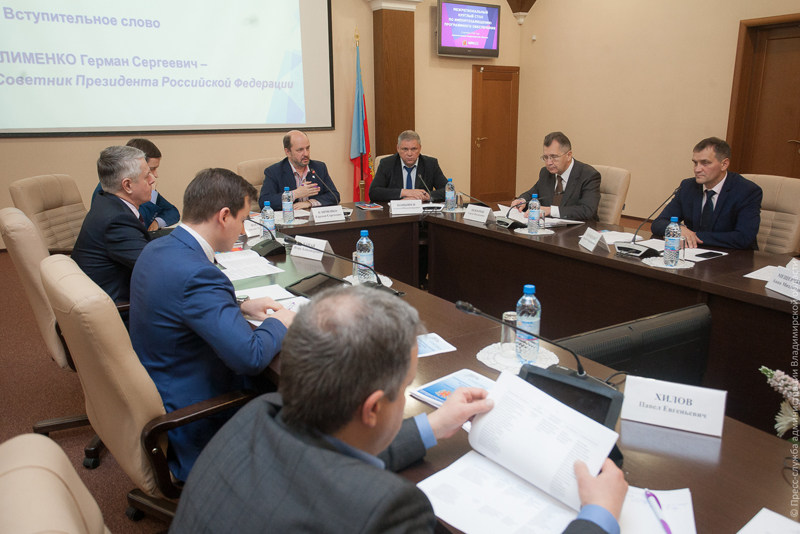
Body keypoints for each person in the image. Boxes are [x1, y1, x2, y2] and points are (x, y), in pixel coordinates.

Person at [170, 286, 628, 534]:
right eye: (405, 386)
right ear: (372, 408)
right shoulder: (388, 511)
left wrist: (433, 425)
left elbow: (335, 455)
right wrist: (598, 517)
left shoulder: (257, 414)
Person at [130, 168, 295, 482]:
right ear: (224, 216)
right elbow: (249, 357)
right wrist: (280, 322)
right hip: (195, 419)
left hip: (164, 380)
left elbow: (178, 303)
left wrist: (240, 305)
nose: (244, 230)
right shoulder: (199, 274)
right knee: (300, 393)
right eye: (243, 220)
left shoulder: (158, 248)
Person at [71, 146, 153, 313]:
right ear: (127, 185)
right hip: (118, 312)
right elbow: (155, 267)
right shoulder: (117, 221)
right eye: (147, 176)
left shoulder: (106, 202)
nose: (152, 179)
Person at [651, 137, 762, 249]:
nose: (697, 169)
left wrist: (693, 236)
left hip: (734, 256)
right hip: (694, 253)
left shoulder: (747, 191)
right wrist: (679, 229)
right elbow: (658, 223)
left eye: (705, 163)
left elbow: (743, 237)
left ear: (724, 164)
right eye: (695, 163)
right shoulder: (688, 186)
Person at [91, 139, 179, 231]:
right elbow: (138, 224)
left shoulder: (140, 186)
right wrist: (152, 194)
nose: (156, 175)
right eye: (151, 169)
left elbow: (172, 211)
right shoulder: (108, 192)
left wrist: (157, 222)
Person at [512, 132, 601, 221]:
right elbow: (532, 194)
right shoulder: (546, 173)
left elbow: (587, 210)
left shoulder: (588, 175)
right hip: (549, 227)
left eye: (554, 157)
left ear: (568, 155)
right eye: (545, 157)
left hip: (580, 228)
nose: (549, 163)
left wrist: (550, 210)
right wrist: (522, 201)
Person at [258, 130, 340, 210]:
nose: (306, 154)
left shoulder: (319, 168)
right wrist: (295, 194)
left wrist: (309, 203)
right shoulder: (274, 171)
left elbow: (334, 196)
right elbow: (264, 201)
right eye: (300, 150)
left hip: (313, 217)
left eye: (307, 148)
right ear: (288, 152)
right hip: (289, 217)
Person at [369, 130, 449, 202]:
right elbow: (373, 192)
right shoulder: (387, 164)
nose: (409, 154)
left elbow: (449, 190)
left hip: (421, 212)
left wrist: (427, 196)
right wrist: (405, 192)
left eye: (414, 149)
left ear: (420, 148)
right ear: (398, 148)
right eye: (405, 149)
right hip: (395, 211)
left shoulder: (430, 164)